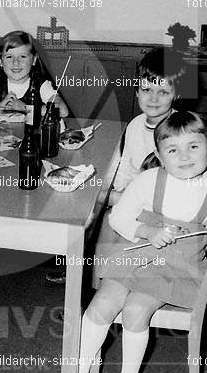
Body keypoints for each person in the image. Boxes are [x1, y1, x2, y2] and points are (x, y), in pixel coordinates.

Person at [74, 111, 207, 373]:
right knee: (99, 307)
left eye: (193, 147)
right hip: (134, 257)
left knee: (135, 310)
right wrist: (145, 230)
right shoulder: (149, 179)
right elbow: (118, 217)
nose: (184, 156)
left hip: (177, 270)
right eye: (173, 150)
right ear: (159, 154)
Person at [47, 47, 188, 285]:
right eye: (146, 89)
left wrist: (115, 198)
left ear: (177, 94)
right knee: (84, 198)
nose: (153, 98)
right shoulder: (135, 125)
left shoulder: (179, 131)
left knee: (100, 216)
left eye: (163, 91)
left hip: (160, 210)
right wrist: (107, 189)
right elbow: (124, 167)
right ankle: (79, 268)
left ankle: (97, 284)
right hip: (131, 196)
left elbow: (176, 187)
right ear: (136, 91)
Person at [0, 30, 68, 118]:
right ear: (0, 60)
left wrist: (26, 108)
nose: (16, 63)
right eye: (9, 57)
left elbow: (63, 111)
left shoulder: (40, 84)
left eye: (23, 56)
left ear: (34, 59)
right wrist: (0, 106)